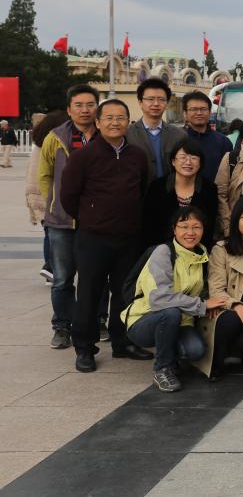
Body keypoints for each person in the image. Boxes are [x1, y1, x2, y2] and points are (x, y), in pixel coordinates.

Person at [60, 98, 152, 372]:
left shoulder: (137, 156)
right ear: (98, 123)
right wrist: (91, 217)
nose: (115, 122)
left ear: (128, 122)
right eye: (109, 118)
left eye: (120, 117)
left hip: (128, 237)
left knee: (125, 293)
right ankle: (85, 348)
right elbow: (68, 196)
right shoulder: (83, 157)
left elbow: (142, 191)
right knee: (89, 294)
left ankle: (123, 341)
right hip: (93, 238)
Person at [123, 206, 225, 392]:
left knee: (195, 351)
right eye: (184, 227)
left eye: (196, 227)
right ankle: (163, 369)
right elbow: (159, 299)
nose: (190, 232)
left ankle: (171, 353)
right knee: (170, 312)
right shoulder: (163, 252)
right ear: (174, 229)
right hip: (144, 320)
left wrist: (212, 303)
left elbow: (202, 290)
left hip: (182, 321)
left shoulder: (202, 255)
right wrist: (202, 305)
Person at [38, 86, 99, 348]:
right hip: (62, 222)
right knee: (62, 279)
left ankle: (96, 322)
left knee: (95, 277)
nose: (85, 110)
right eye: (79, 105)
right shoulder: (56, 137)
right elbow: (45, 175)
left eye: (90, 104)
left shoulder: (105, 135)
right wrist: (55, 203)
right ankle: (62, 326)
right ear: (69, 109)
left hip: (97, 220)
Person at [198, 195, 243, 381]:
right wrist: (236, 305)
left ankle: (240, 351)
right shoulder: (221, 249)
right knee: (231, 319)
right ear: (236, 219)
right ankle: (216, 363)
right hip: (226, 311)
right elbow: (216, 290)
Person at [143, 139, 218, 250]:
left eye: (193, 158)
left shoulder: (209, 189)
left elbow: (210, 226)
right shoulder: (157, 187)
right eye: (183, 157)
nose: (188, 162)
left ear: (200, 163)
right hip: (162, 250)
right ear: (173, 161)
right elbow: (148, 225)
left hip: (197, 250)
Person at [28, 111, 66, 284]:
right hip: (47, 196)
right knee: (52, 235)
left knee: (48, 234)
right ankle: (50, 267)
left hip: (37, 195)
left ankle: (50, 269)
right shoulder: (51, 144)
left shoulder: (38, 145)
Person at [126, 78, 186, 185]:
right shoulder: (127, 134)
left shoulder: (179, 135)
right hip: (138, 191)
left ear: (167, 103)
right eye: (150, 99)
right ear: (140, 102)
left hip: (170, 190)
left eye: (161, 99)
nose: (156, 103)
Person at [182, 90, 233, 183]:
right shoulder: (177, 139)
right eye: (193, 109)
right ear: (185, 114)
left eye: (203, 109)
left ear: (210, 112)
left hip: (214, 191)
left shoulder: (223, 142)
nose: (199, 113)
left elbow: (229, 173)